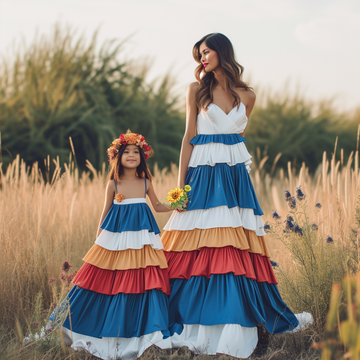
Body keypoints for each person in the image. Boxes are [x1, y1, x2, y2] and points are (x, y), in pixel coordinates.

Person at [161, 33, 300, 358]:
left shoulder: (247, 95)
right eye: (199, 54)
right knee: (192, 245)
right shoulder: (196, 90)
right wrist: (181, 187)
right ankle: (187, 315)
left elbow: (237, 140)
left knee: (234, 249)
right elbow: (188, 138)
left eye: (206, 51)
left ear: (222, 52)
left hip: (235, 183)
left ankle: (239, 319)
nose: (202, 59)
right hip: (203, 178)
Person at [50, 130, 173, 360]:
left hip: (142, 241)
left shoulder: (146, 182)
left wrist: (177, 204)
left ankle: (142, 331)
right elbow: (104, 213)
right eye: (127, 152)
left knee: (142, 280)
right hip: (116, 240)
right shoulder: (113, 184)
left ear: (142, 157)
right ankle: (84, 326)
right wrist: (99, 242)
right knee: (111, 282)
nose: (132, 155)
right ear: (118, 157)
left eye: (136, 152)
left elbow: (157, 206)